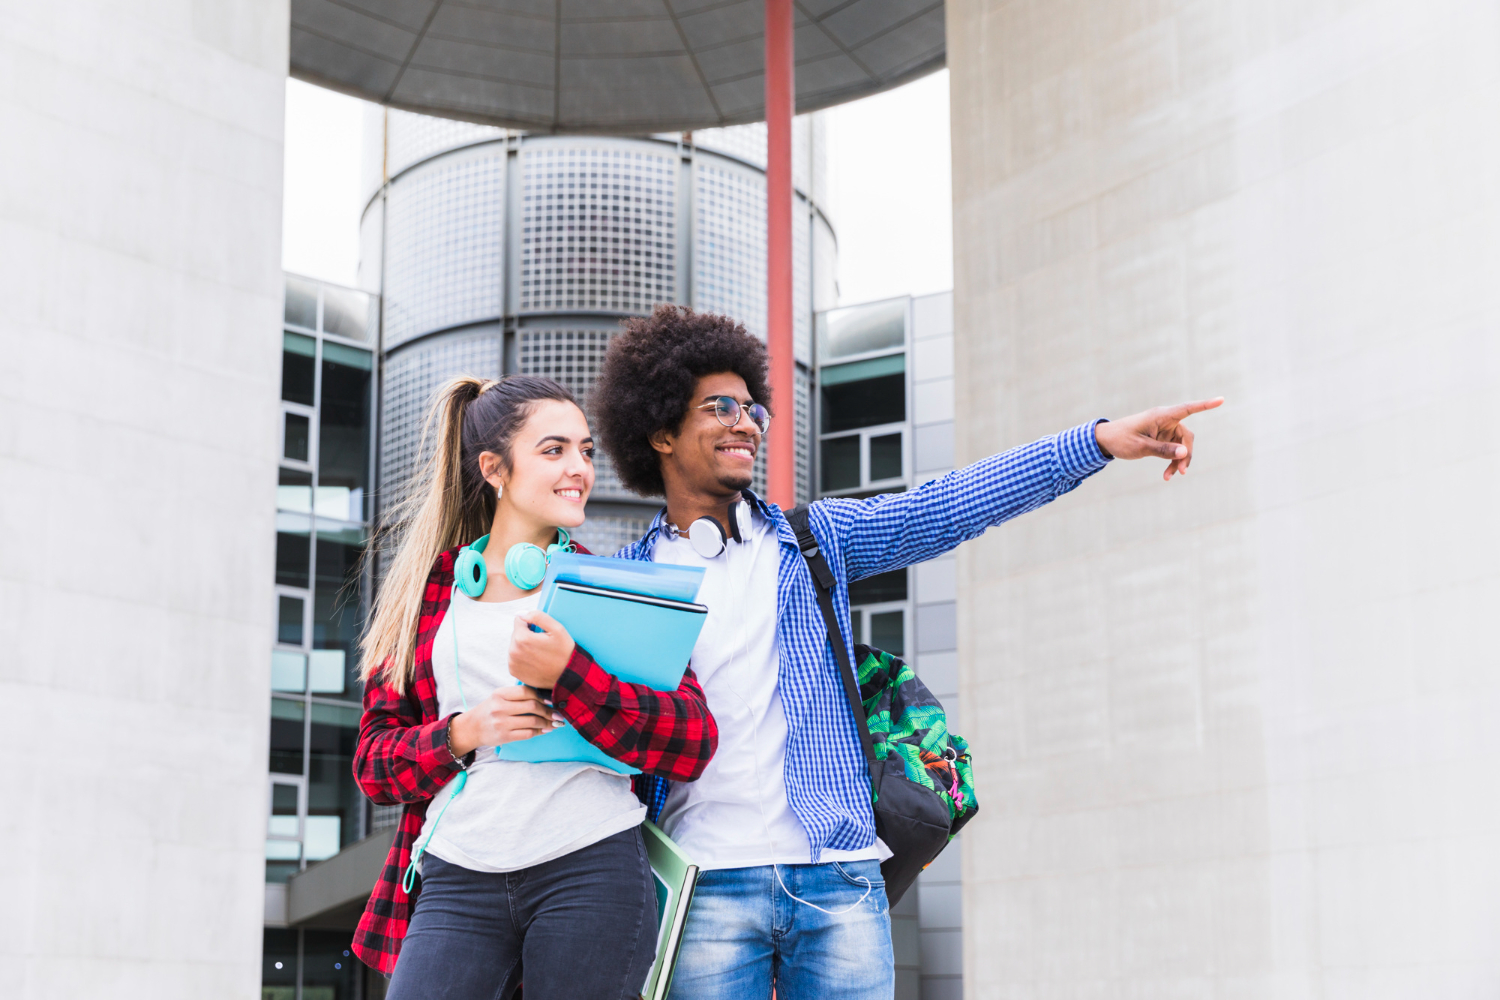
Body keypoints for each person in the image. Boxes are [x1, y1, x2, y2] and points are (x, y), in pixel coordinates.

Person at [589, 305, 1222, 999]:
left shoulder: (812, 541)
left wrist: (1097, 441)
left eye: (752, 409)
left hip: (838, 878)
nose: (745, 422)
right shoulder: (627, 586)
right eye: (720, 406)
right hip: (703, 886)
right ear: (658, 430)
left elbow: (947, 507)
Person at [349, 374, 719, 999]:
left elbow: (692, 742)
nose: (579, 467)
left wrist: (572, 675)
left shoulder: (612, 587)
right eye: (554, 450)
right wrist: (465, 731)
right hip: (456, 874)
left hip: (590, 867)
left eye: (585, 450)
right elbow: (373, 766)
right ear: (494, 469)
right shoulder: (425, 595)